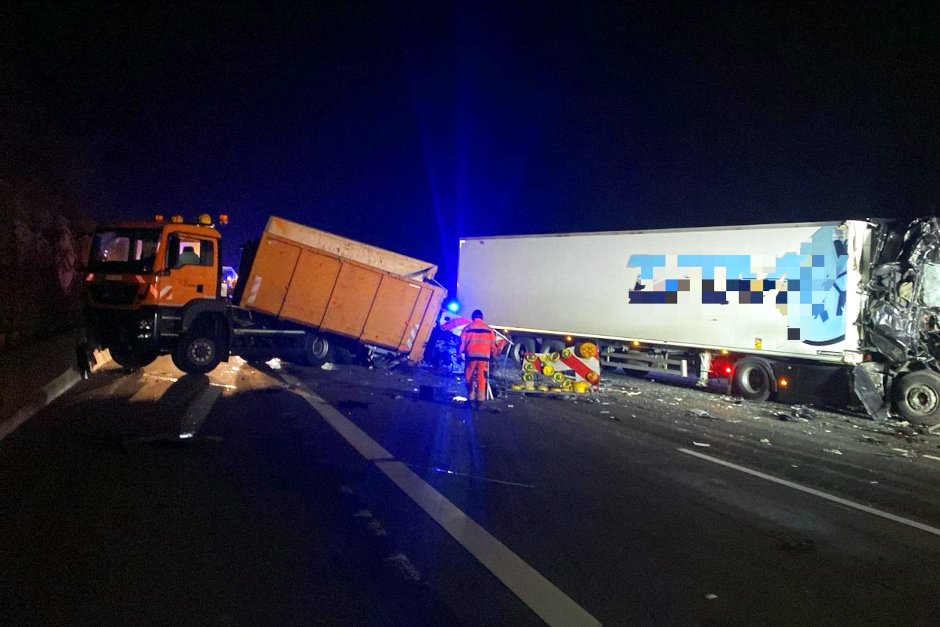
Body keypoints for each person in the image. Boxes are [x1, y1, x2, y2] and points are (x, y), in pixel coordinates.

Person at [459, 309, 498, 408]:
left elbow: (461, 343)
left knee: (469, 377)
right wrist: (494, 355)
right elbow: (493, 345)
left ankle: (470, 398)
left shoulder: (467, 328)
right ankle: (480, 401)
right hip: (484, 357)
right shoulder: (489, 329)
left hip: (471, 356)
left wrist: (458, 354)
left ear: (473, 317)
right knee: (481, 377)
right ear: (482, 318)